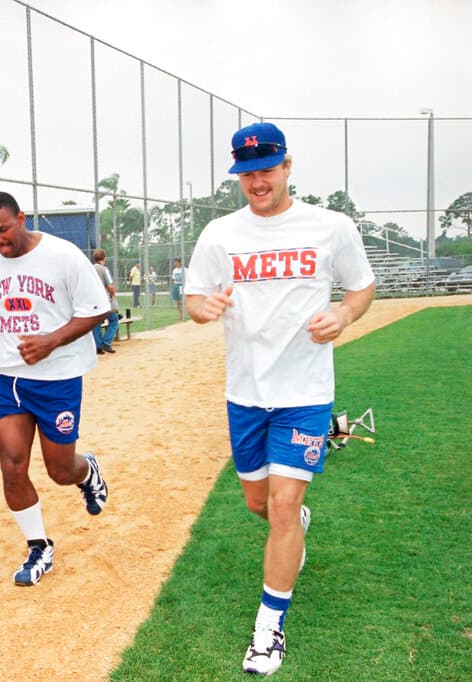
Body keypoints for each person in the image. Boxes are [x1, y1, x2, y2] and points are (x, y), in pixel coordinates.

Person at [184, 122, 375, 676]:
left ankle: (268, 632)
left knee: (284, 509)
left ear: (288, 166)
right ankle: (293, 522)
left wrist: (342, 313)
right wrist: (204, 308)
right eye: (246, 173)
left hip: (305, 391)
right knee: (260, 506)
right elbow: (195, 296)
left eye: (266, 170)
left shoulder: (329, 226)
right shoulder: (221, 234)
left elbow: (360, 287)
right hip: (245, 392)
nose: (256, 181)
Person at [0, 191, 111, 587]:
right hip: (8, 378)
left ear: (21, 218)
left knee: (60, 470)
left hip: (58, 376)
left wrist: (51, 340)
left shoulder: (63, 256)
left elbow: (98, 310)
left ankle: (87, 471)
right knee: (11, 465)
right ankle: (38, 546)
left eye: (3, 230)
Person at [90, 249, 119, 354]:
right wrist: (113, 295)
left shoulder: (90, 269)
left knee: (96, 323)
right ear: (104, 258)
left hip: (93, 300)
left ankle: (98, 347)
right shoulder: (104, 269)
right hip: (104, 300)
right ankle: (106, 343)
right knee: (114, 320)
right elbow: (110, 285)